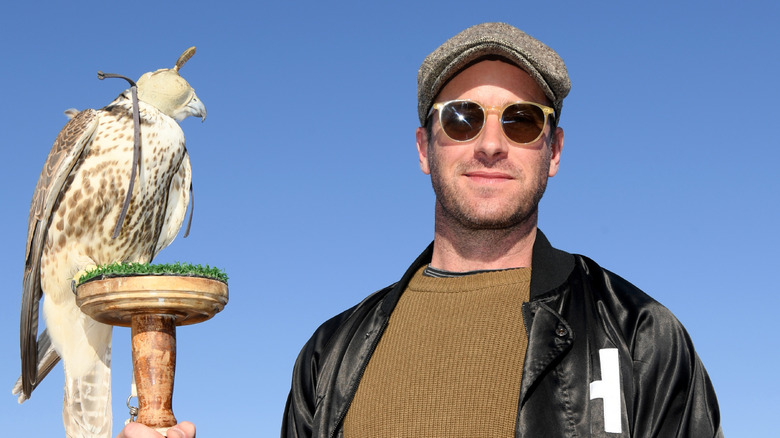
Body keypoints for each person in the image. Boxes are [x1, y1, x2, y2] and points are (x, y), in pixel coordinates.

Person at [281, 22, 723, 437]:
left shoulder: (640, 337)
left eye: (522, 120)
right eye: (461, 118)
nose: (491, 144)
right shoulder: (329, 355)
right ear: (423, 148)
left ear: (554, 151)